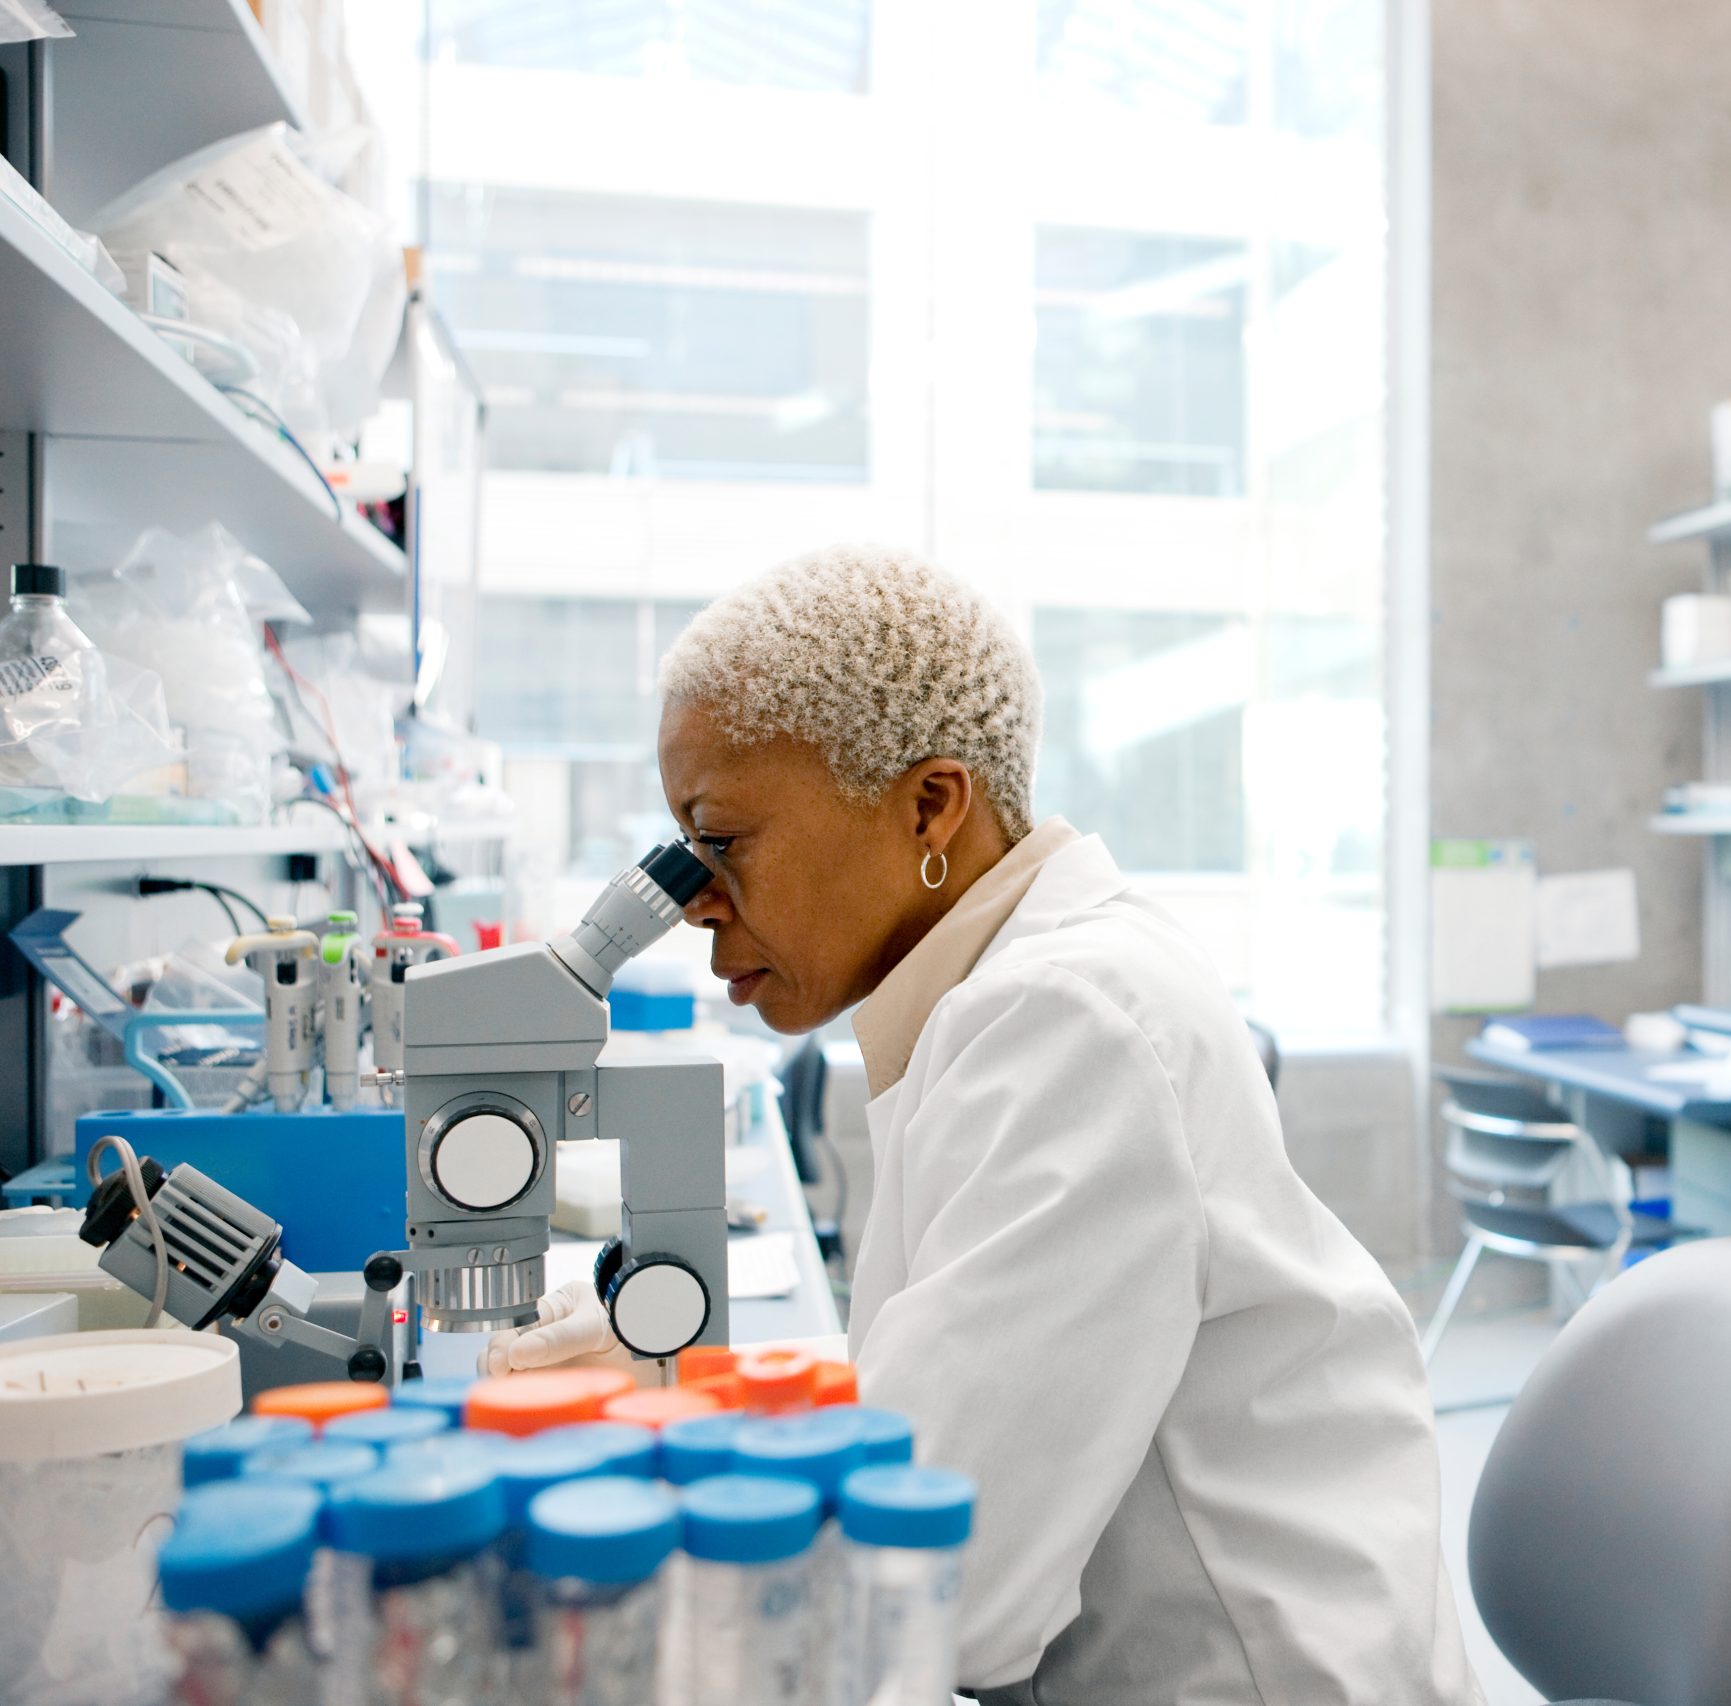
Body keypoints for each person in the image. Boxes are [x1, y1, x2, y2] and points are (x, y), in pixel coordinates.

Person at [487, 543, 1479, 1705]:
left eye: (721, 840)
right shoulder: (1007, 996)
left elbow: (937, 1587)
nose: (696, 898)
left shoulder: (1068, 1020)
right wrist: (689, 1380)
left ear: (929, 803)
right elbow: (937, 1394)